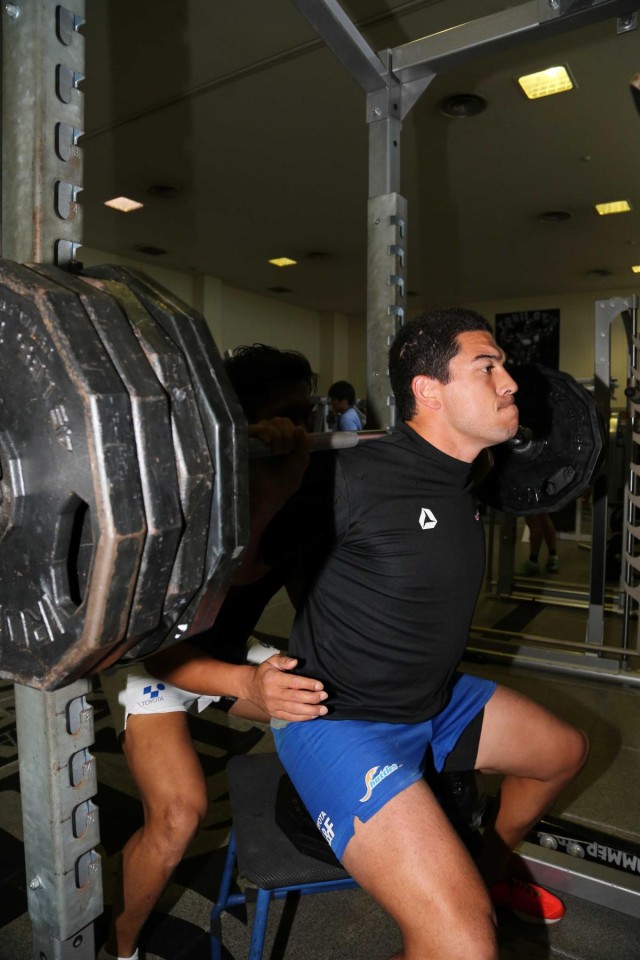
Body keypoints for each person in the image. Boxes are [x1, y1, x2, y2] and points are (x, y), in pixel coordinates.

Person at [272, 308, 589, 960]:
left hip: (432, 701)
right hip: (340, 721)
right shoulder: (350, 477)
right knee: (465, 945)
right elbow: (233, 582)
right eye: (487, 367)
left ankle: (487, 872)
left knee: (562, 753)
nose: (509, 384)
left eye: (504, 367)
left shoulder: (467, 472)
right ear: (428, 390)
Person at [97, 345, 328, 960]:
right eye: (286, 416)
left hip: (223, 656)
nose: (300, 430)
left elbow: (315, 611)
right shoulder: (188, 492)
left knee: (334, 708)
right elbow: (171, 644)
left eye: (308, 413)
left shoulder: (303, 490)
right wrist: (261, 488)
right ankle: (119, 950)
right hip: (153, 662)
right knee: (179, 813)